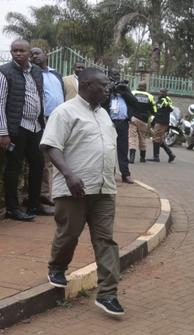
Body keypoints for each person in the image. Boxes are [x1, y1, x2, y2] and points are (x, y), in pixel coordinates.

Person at [40, 67, 125, 316]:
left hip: (104, 189)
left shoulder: (104, 115)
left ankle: (108, 294)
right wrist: (68, 174)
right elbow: (51, 146)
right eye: (103, 85)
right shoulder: (64, 112)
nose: (107, 89)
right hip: (74, 189)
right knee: (69, 234)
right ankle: (57, 267)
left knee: (106, 240)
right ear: (86, 86)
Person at [0, 39, 51, 221]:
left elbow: (39, 96)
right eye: (14, 50)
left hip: (35, 126)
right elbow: (0, 104)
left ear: (29, 53)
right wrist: (3, 133)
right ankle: (13, 209)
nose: (18, 53)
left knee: (37, 164)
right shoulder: (5, 72)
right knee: (14, 168)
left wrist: (43, 123)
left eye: (22, 50)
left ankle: (34, 204)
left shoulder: (36, 71)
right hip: (17, 127)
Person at [31, 46, 65, 207]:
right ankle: (42, 194)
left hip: (59, 119)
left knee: (56, 157)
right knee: (44, 157)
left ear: (46, 54)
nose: (34, 56)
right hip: (42, 120)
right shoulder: (32, 73)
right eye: (31, 54)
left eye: (37, 53)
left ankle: (49, 192)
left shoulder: (56, 73)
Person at [103, 66, 137, 183]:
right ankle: (109, 173)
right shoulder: (105, 87)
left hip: (123, 123)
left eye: (118, 75)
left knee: (123, 149)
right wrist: (110, 89)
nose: (117, 77)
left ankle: (125, 174)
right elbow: (102, 102)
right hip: (109, 123)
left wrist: (123, 91)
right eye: (114, 75)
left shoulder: (124, 88)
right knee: (108, 149)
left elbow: (134, 102)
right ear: (109, 75)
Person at [129, 82, 156, 163]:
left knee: (132, 137)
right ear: (145, 87)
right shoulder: (150, 96)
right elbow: (154, 110)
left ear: (138, 86)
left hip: (133, 118)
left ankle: (132, 158)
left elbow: (128, 104)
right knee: (142, 138)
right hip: (143, 120)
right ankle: (142, 158)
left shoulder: (132, 93)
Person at [149, 88, 175, 163]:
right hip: (160, 121)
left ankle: (156, 157)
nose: (160, 93)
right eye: (160, 91)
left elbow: (168, 109)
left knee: (156, 139)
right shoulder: (162, 100)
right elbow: (158, 112)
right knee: (159, 139)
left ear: (165, 93)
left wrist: (167, 103)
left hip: (161, 122)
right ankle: (170, 154)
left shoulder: (165, 100)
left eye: (162, 92)